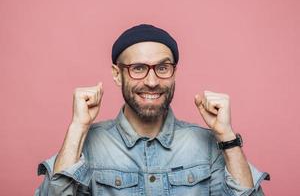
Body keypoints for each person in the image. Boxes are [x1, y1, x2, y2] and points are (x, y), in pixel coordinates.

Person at [35, 24, 269, 196]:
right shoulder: (87, 145)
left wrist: (226, 136)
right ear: (118, 74)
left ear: (174, 73)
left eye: (162, 67)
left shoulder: (210, 144)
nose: (152, 81)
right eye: (138, 68)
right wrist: (77, 129)